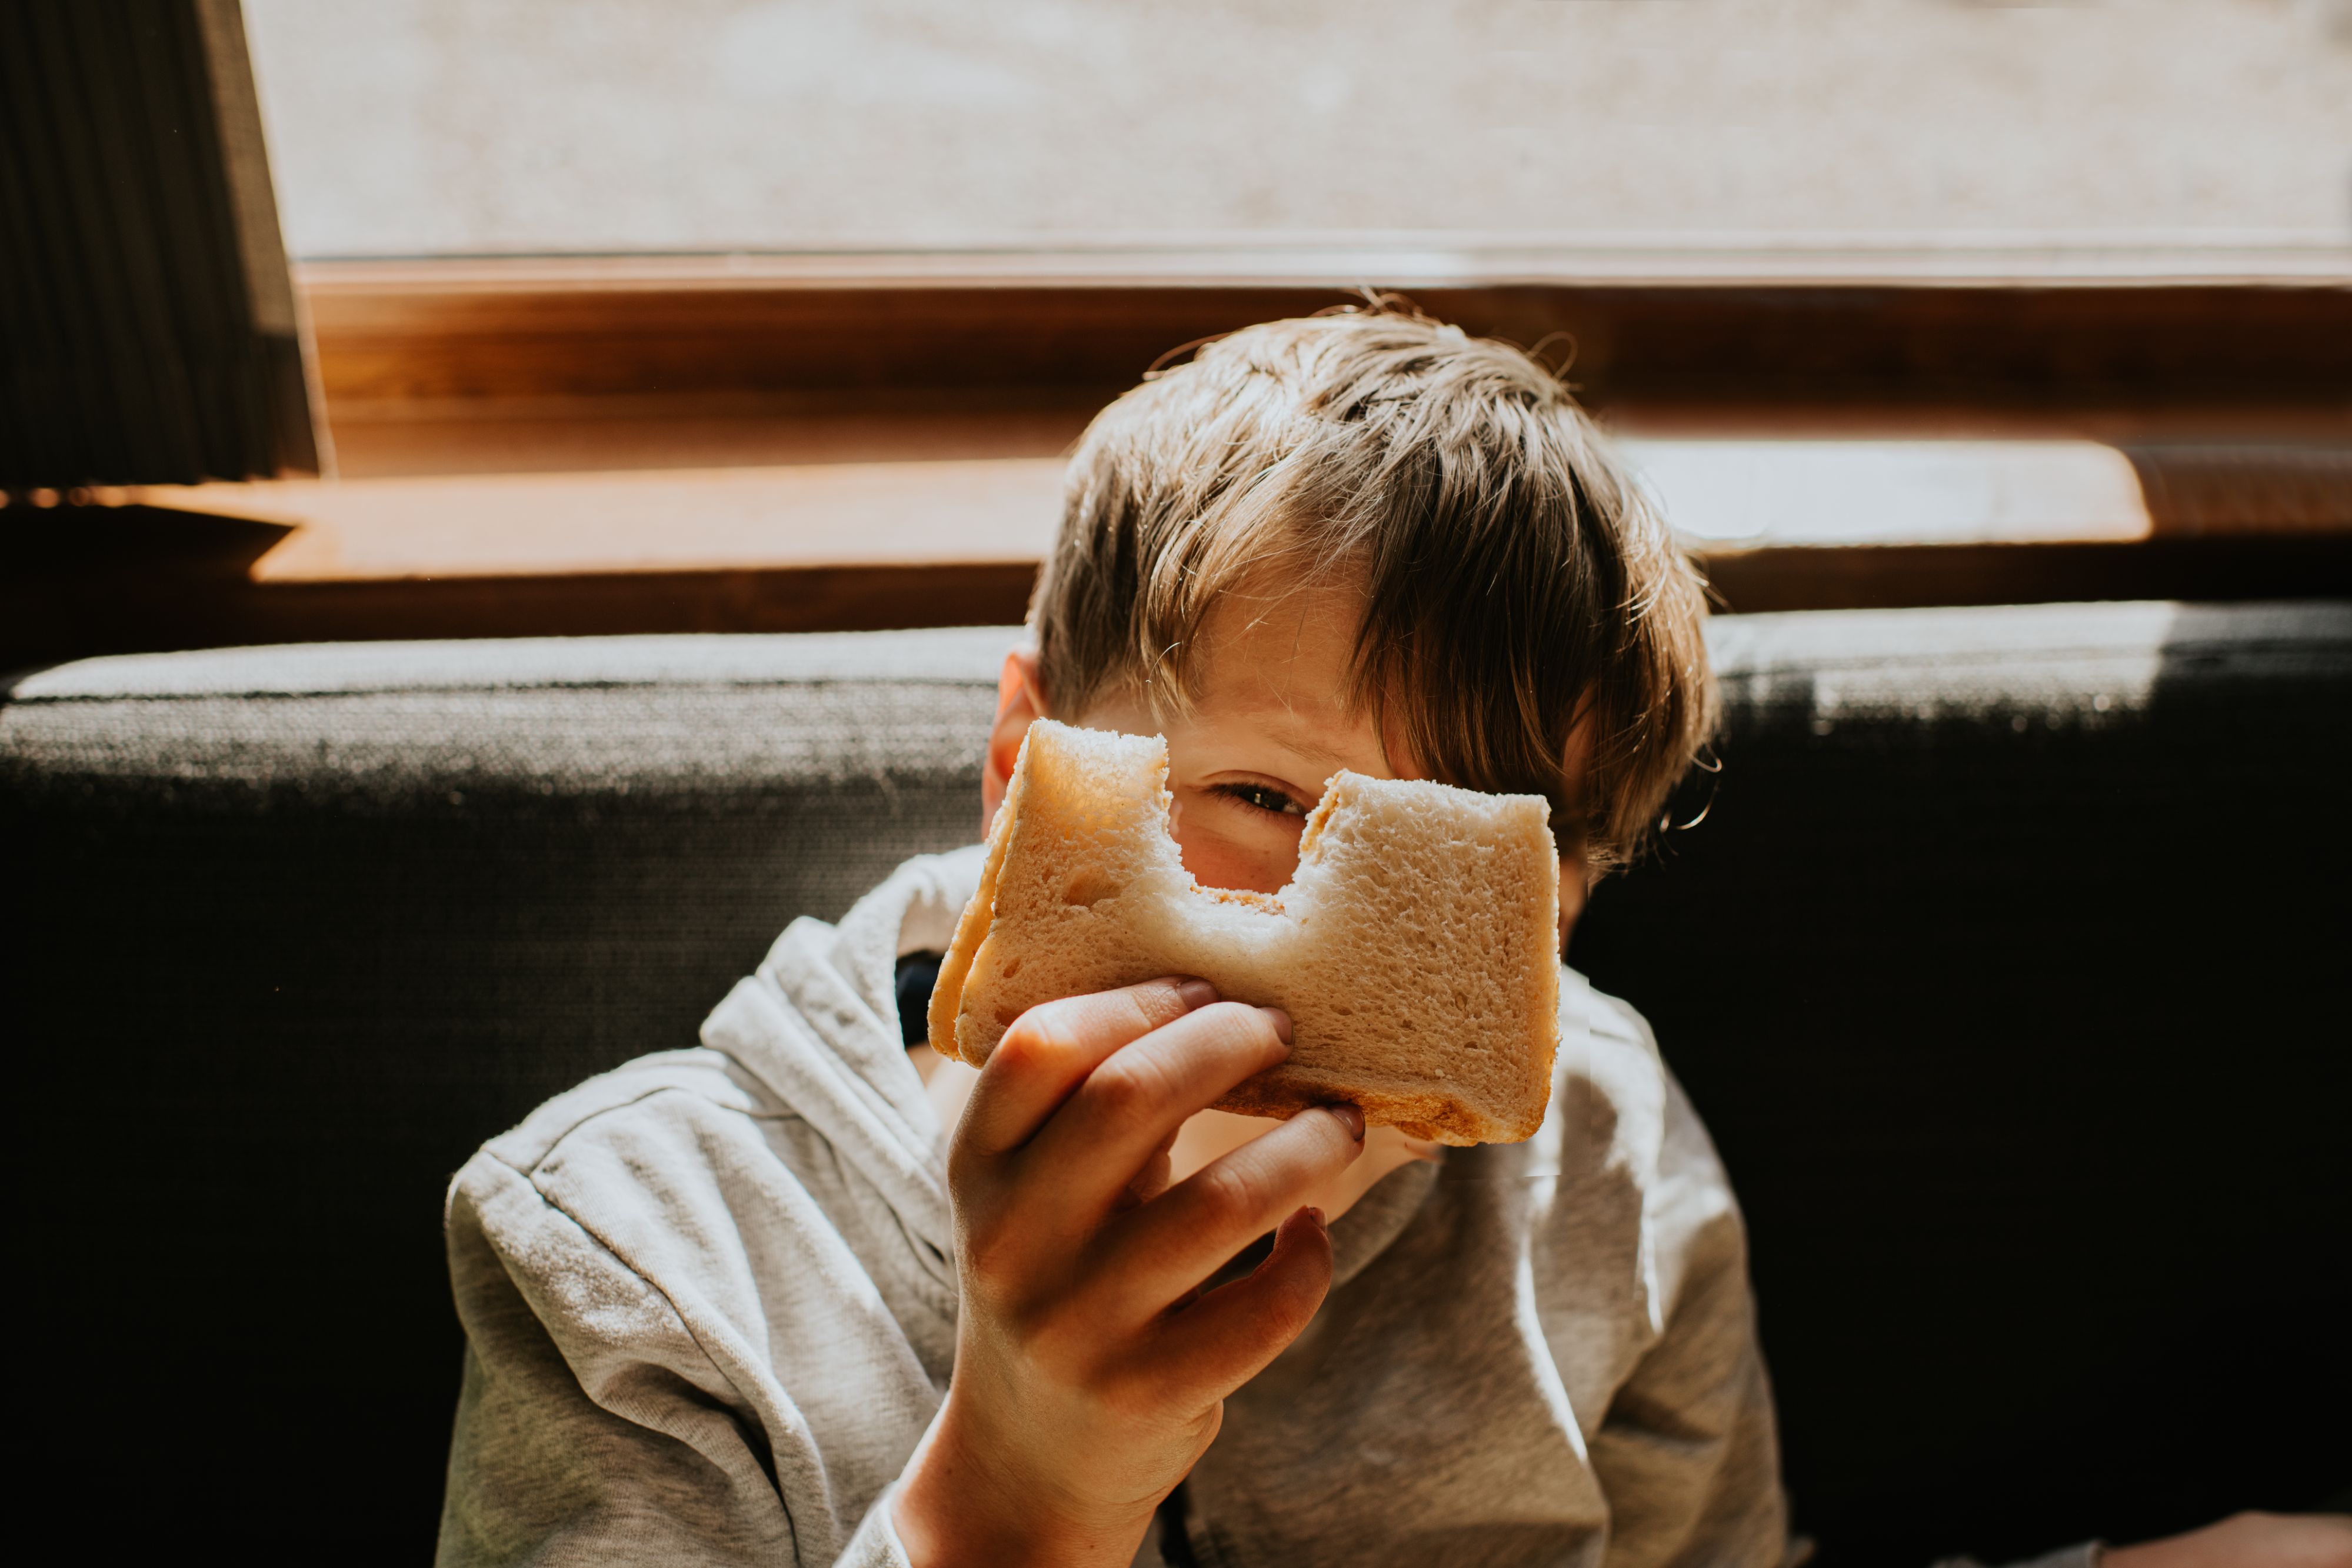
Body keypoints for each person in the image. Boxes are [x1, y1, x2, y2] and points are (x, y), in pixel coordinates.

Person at [434, 309, 2351, 1568]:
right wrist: (1016, 1485)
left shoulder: (1599, 1149)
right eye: (1258, 798)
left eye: (1459, 884)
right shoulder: (639, 1264)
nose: (1287, 944)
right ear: (1028, 758)